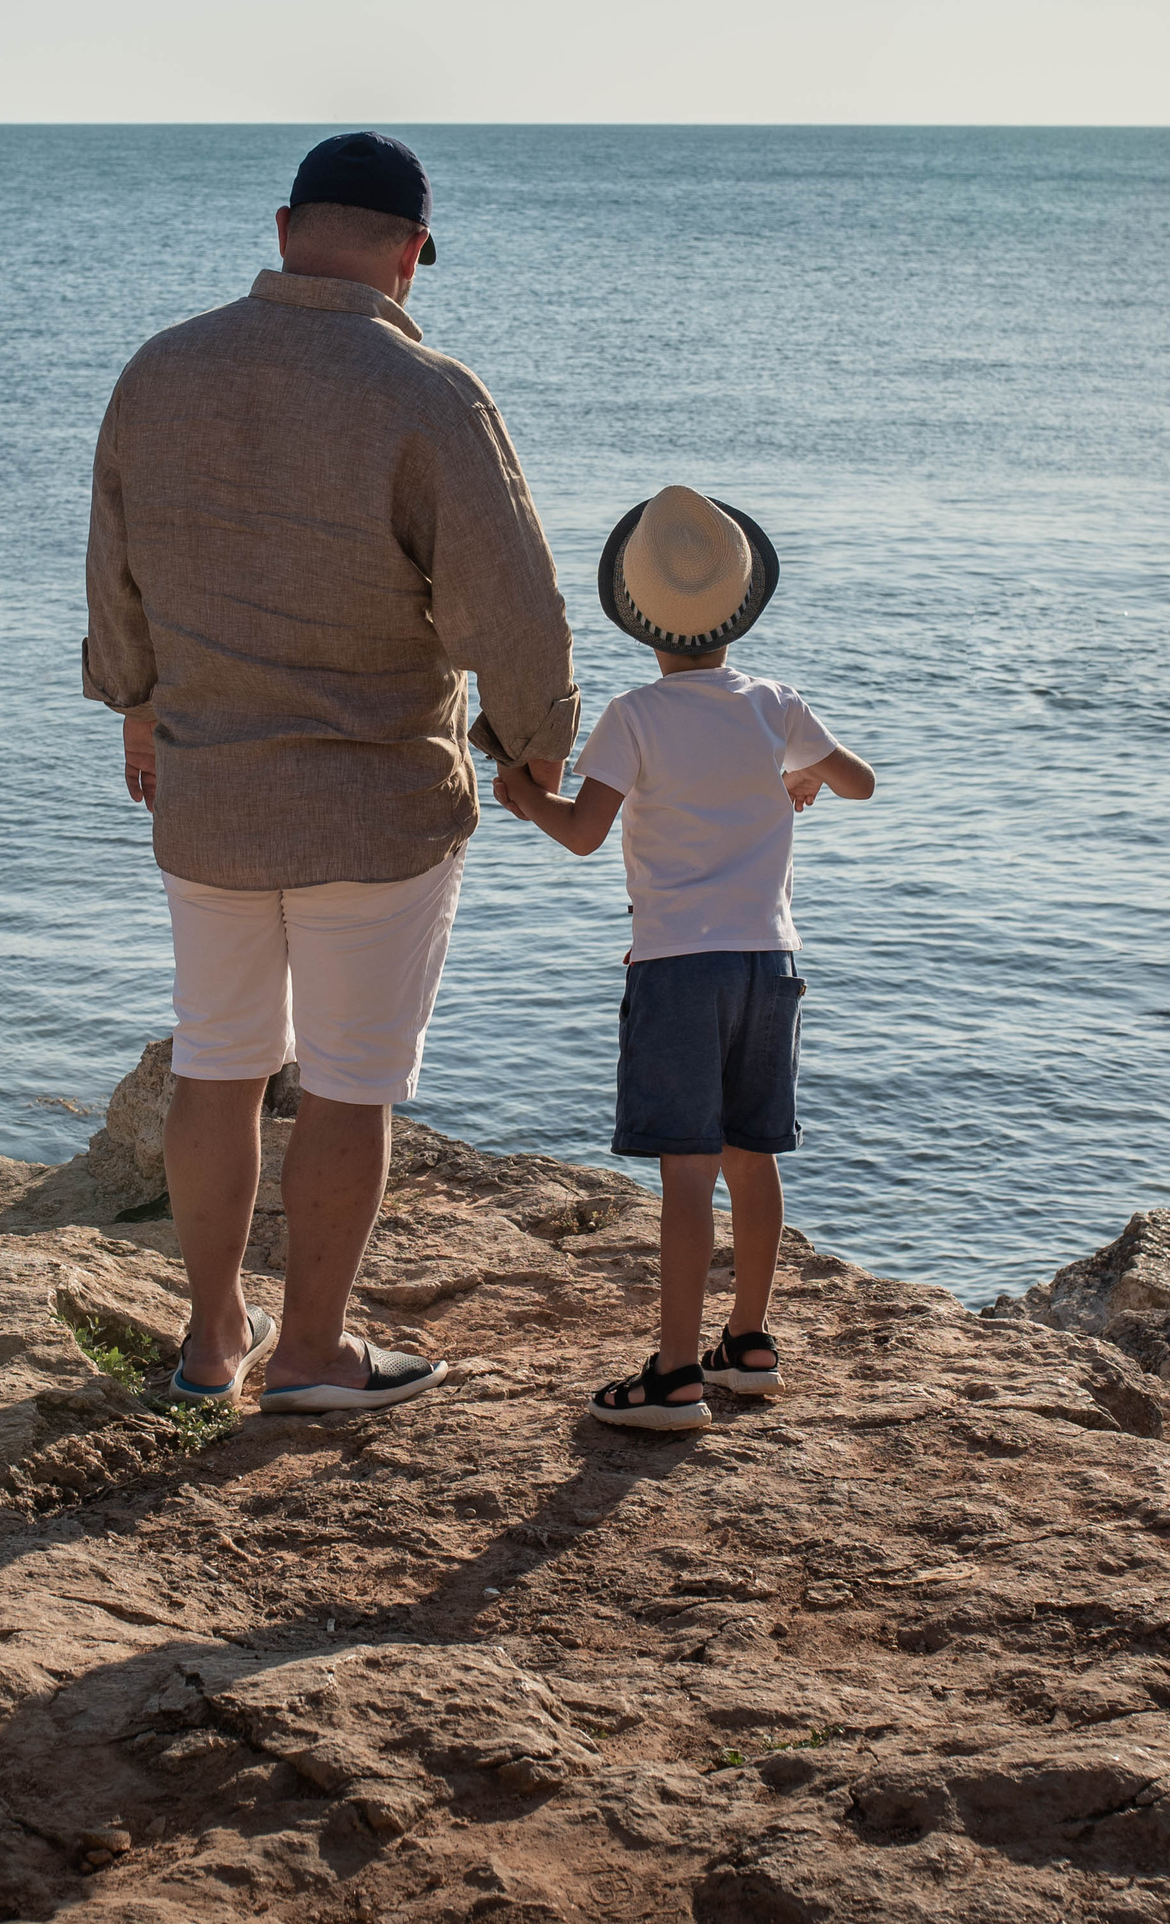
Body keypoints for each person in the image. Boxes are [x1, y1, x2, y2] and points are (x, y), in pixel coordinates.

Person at [84, 131, 579, 1415]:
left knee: (217, 1059)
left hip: (208, 788)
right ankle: (310, 1350)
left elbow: (113, 568)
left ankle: (210, 1340)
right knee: (350, 1085)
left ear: (285, 225)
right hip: (376, 801)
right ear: (411, 253)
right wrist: (536, 738)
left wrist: (136, 701)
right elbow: (512, 603)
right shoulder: (429, 393)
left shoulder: (159, 369)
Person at [492, 486, 875, 1432]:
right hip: (769, 965)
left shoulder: (633, 715)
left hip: (676, 968)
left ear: (637, 615)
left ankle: (673, 1377)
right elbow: (859, 783)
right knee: (753, 1155)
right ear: (741, 606)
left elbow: (584, 833)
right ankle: (749, 1342)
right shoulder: (775, 703)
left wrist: (521, 798)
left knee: (687, 1173)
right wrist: (799, 773)